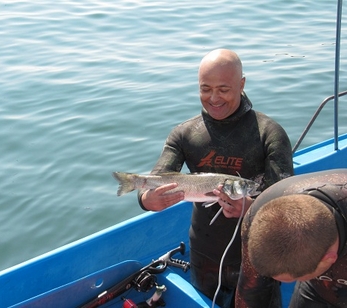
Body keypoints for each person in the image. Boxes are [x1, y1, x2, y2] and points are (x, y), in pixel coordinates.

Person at [137, 48, 294, 307]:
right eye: (205, 88)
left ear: (242, 84)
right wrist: (146, 200)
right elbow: (156, 179)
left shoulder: (269, 133)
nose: (213, 98)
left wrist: (252, 208)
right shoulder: (184, 133)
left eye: (223, 89)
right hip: (204, 254)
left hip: (257, 254)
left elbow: (286, 205)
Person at [236, 168, 347, 308]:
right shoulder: (260, 215)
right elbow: (251, 289)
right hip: (318, 291)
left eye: (296, 278)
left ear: (329, 259)